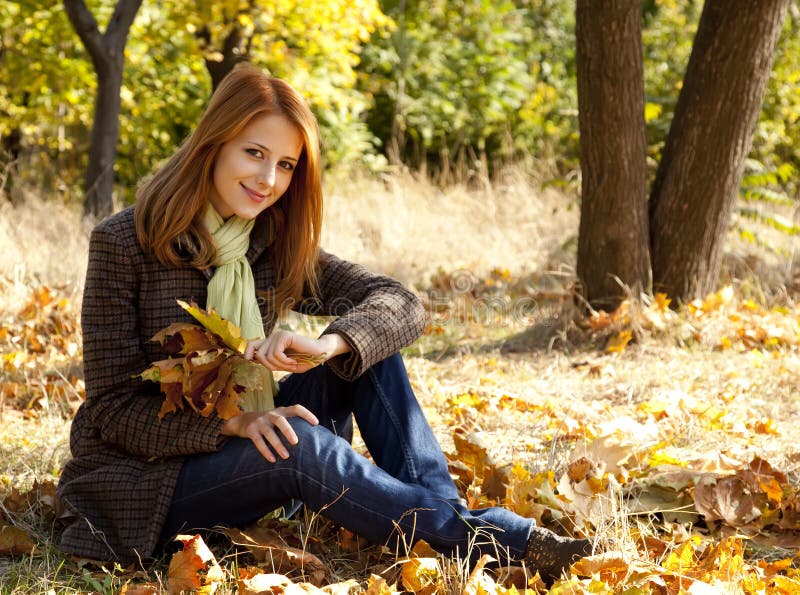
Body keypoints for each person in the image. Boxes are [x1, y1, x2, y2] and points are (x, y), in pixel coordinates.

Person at [56, 63, 591, 582]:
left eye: (286, 164)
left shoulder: (267, 239)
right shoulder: (124, 243)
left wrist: (328, 344)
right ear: (212, 144)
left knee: (367, 353)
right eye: (255, 153)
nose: (268, 180)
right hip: (152, 480)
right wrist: (232, 424)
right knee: (298, 447)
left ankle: (443, 527)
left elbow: (399, 301)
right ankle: (493, 540)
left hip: (252, 446)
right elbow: (110, 410)